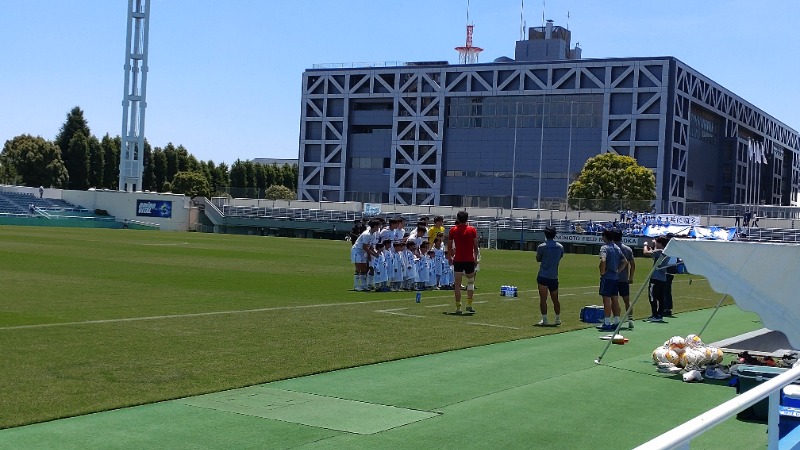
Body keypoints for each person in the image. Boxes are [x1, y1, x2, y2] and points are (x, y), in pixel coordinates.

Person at [447, 210, 479, 314]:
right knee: (470, 282)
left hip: (458, 259)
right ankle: (469, 304)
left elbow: (449, 245)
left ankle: (458, 307)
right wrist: (475, 258)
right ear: (467, 219)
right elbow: (475, 246)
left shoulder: (453, 230)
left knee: (457, 284)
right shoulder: (472, 230)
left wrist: (450, 257)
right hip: (469, 259)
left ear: (458, 219)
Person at [597, 229, 627, 331]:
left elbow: (603, 259)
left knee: (606, 300)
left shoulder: (604, 248)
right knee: (615, 299)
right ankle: (617, 321)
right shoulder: (616, 247)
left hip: (607, 277)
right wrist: (618, 271)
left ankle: (606, 322)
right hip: (615, 277)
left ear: (605, 236)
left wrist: (602, 271)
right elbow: (624, 261)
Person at [534, 226, 564, 326]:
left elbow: (538, 258)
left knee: (543, 299)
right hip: (554, 276)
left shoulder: (541, 246)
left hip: (543, 274)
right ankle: (558, 318)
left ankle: (545, 319)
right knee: (555, 299)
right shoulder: (560, 247)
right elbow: (560, 257)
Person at [613, 229, 636, 329]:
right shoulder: (627, 249)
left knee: (614, 300)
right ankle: (630, 319)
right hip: (623, 279)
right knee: (627, 300)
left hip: (612, 278)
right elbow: (633, 265)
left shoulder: (610, 248)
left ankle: (616, 320)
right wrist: (631, 277)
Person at [643, 236, 669, 322]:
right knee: (660, 298)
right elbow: (655, 258)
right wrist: (653, 247)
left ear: (660, 243)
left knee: (652, 297)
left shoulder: (660, 251)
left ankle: (655, 315)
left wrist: (645, 245)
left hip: (655, 278)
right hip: (662, 278)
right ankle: (659, 315)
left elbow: (645, 252)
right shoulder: (666, 251)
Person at [350, 219, 379, 291]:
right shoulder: (367, 234)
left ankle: (363, 285)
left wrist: (375, 253)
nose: (379, 227)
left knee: (364, 268)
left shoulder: (374, 234)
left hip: (363, 251)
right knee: (358, 268)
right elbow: (364, 246)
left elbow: (371, 246)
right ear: (375, 226)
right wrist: (372, 254)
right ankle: (356, 286)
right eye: (378, 226)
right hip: (357, 250)